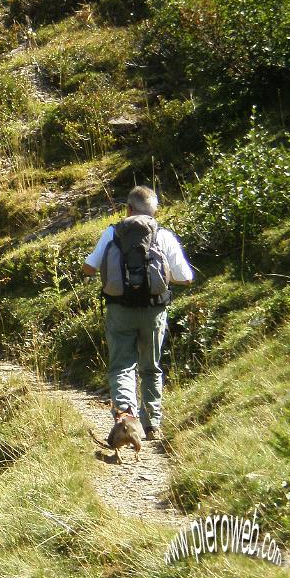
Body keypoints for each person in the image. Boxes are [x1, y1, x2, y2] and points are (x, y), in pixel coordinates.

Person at [82, 186, 193, 440]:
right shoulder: (164, 236)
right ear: (155, 211)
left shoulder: (112, 232)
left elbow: (89, 267)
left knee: (122, 366)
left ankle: (126, 416)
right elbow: (186, 278)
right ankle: (152, 424)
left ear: (128, 209)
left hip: (119, 309)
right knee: (150, 367)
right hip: (154, 311)